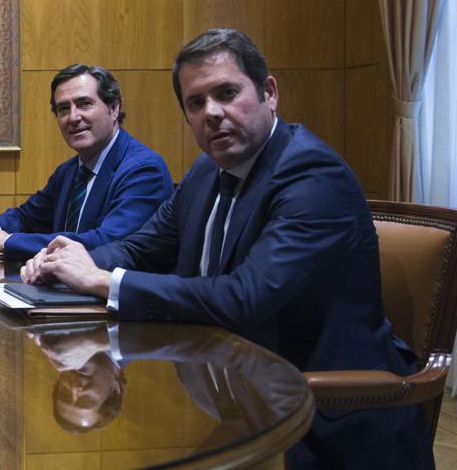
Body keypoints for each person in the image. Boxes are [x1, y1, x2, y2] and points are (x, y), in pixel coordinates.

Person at [22, 29, 434, 467]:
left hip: (325, 417)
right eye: (195, 103)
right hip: (232, 393)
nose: (212, 113)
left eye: (226, 92)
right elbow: (144, 247)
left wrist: (103, 280)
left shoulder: (311, 176)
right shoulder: (206, 171)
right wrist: (65, 261)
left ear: (269, 92)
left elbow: (244, 297)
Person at [0, 64, 171, 260]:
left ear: (114, 108)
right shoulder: (69, 171)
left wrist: (9, 241)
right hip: (64, 288)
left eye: (84, 104)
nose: (73, 117)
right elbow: (26, 217)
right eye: (63, 108)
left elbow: (107, 243)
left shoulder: (143, 170)